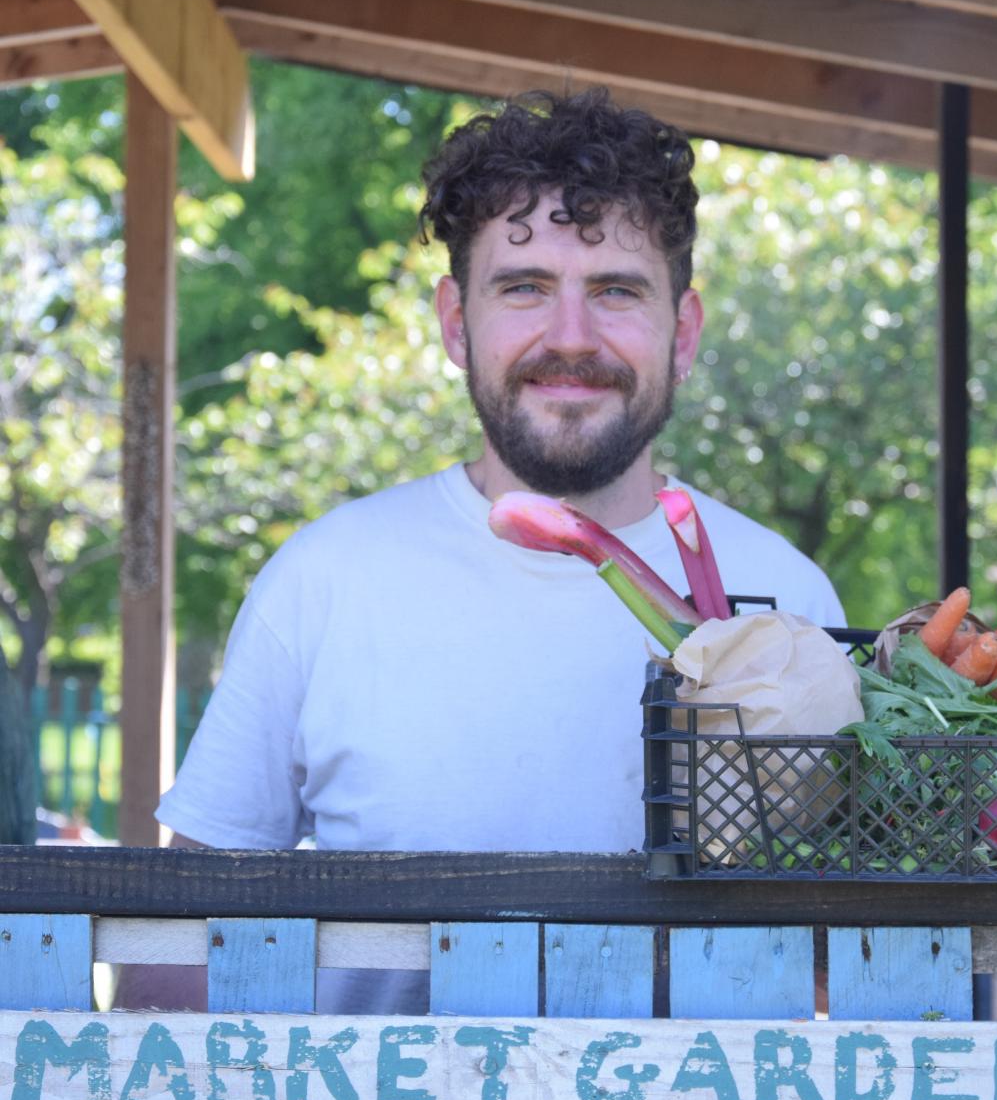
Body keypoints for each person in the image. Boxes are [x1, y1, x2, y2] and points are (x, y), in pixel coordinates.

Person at [130, 88, 846, 1012]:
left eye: (617, 291)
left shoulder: (791, 603)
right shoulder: (323, 583)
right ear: (456, 324)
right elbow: (175, 963)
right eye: (524, 288)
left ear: (687, 330)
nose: (571, 339)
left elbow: (854, 965)